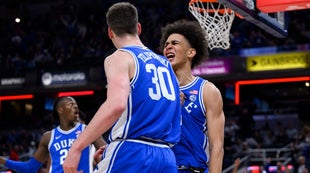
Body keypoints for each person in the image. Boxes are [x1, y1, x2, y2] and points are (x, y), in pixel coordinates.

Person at [62, 2, 181, 173]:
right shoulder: (166, 64)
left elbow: (116, 105)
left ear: (110, 32)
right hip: (166, 157)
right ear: (138, 28)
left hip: (132, 153)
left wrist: (76, 148)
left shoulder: (120, 57)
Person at [160, 19, 225, 173]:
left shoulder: (207, 91)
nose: (168, 46)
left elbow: (217, 147)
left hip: (193, 169)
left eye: (175, 43)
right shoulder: (158, 90)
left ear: (191, 52)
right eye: (166, 44)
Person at [0, 96, 106, 173]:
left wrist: (98, 162)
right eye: (71, 104)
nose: (75, 107)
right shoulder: (48, 137)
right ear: (60, 110)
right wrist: (2, 160)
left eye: (76, 105)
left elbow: (110, 154)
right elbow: (30, 168)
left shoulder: (88, 130)